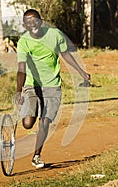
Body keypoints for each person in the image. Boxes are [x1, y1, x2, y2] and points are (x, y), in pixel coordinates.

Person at [15, 9, 90, 168]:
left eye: (35, 20)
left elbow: (65, 54)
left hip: (52, 86)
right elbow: (21, 68)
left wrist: (81, 71)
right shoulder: (23, 42)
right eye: (28, 22)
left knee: (45, 121)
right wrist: (18, 91)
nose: (32, 24)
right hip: (31, 85)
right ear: (24, 25)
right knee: (28, 123)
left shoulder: (55, 35)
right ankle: (28, 110)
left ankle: (36, 155)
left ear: (41, 21)